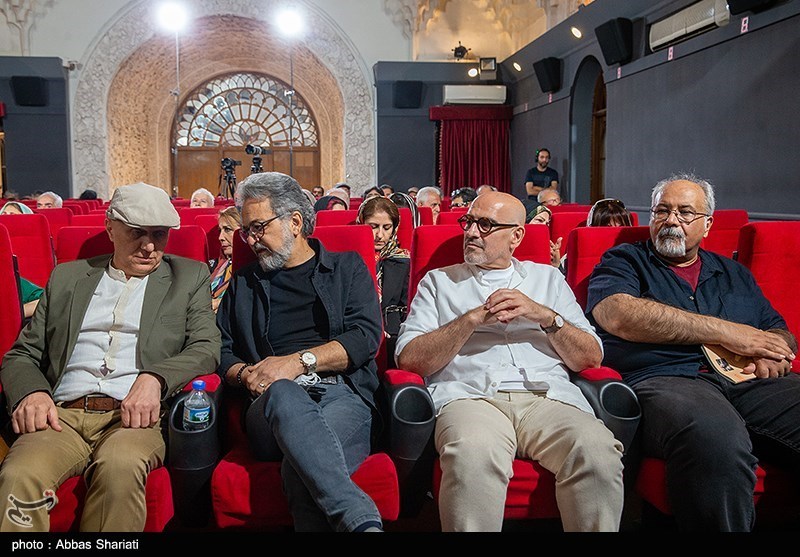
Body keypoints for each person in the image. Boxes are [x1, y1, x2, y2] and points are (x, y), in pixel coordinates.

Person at [395, 191, 624, 532]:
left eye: (485, 225)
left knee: (598, 451)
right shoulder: (440, 282)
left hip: (548, 397)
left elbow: (590, 357)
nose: (471, 232)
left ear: (516, 236)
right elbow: (410, 360)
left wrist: (544, 316)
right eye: (468, 222)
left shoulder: (548, 279)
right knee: (474, 452)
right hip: (471, 396)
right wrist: (471, 320)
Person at [0, 181, 221, 532]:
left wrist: (155, 378)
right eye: (136, 233)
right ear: (110, 227)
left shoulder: (187, 277)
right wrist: (31, 392)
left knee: (120, 467)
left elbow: (206, 346)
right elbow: (23, 354)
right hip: (61, 415)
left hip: (134, 419)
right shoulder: (68, 278)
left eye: (159, 234)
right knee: (19, 474)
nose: (149, 246)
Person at [586, 173, 800, 532]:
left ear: (708, 224)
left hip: (748, 380)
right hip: (668, 379)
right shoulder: (625, 260)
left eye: (685, 212)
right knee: (716, 439)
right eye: (662, 211)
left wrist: (773, 353)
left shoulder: (733, 273)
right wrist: (728, 331)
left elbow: (778, 330)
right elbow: (617, 314)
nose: (672, 220)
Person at [216, 171, 385, 532]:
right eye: (246, 232)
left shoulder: (346, 268)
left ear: (295, 222)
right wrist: (246, 375)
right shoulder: (244, 283)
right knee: (283, 391)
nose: (252, 240)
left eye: (258, 227)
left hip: (342, 394)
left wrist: (298, 362)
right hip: (269, 405)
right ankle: (361, 520)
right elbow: (222, 350)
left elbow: (365, 338)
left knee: (302, 471)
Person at [357, 197, 411, 368]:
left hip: (392, 331)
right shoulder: (349, 259)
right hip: (357, 328)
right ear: (361, 223)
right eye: (373, 227)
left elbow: (406, 306)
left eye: (386, 228)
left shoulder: (404, 260)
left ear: (395, 228)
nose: (380, 235)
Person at [209, 206, 242, 313]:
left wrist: (220, 304)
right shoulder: (212, 266)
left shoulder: (252, 272)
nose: (220, 237)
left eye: (227, 229)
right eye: (220, 230)